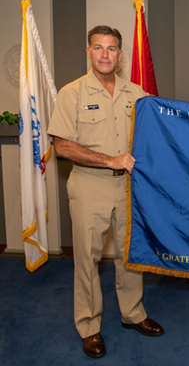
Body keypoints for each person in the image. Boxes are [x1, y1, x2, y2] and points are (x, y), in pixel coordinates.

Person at [48, 26, 163, 358]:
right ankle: (89, 326)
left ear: (120, 54)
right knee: (87, 260)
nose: (104, 55)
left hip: (128, 188)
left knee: (130, 256)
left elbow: (156, 135)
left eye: (111, 49)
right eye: (98, 48)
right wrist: (109, 159)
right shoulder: (72, 93)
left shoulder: (137, 93)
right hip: (89, 187)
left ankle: (133, 313)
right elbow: (62, 146)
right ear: (88, 52)